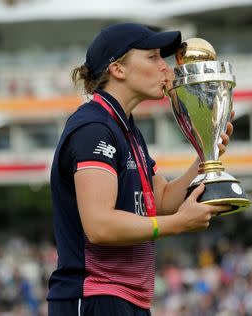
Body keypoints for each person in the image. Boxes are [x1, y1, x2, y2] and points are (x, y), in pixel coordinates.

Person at [47, 23, 234, 316]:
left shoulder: (126, 128)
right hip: (95, 295)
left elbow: (159, 201)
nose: (167, 69)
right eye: (153, 57)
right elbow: (100, 225)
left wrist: (205, 155)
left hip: (127, 299)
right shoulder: (94, 128)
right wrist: (178, 225)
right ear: (118, 69)